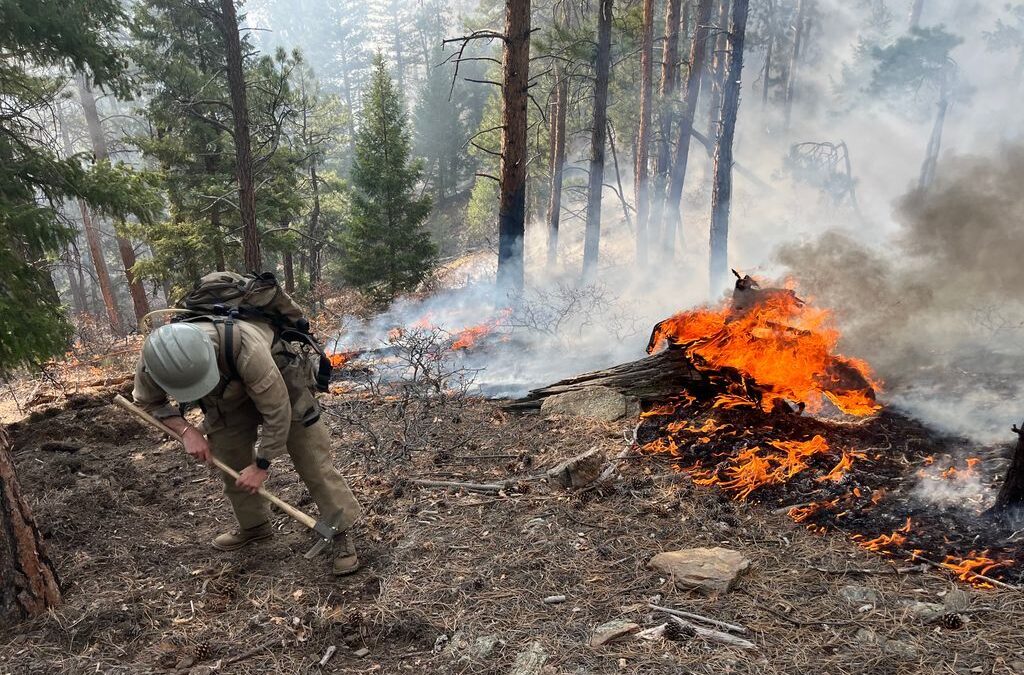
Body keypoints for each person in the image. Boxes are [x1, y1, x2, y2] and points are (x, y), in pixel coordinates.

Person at [132, 318, 363, 576]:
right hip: (225, 397)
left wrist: (262, 465)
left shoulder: (247, 348)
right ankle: (254, 526)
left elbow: (278, 412)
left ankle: (340, 529)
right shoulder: (154, 361)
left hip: (280, 383)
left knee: (311, 456)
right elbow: (149, 402)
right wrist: (186, 431)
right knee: (229, 454)